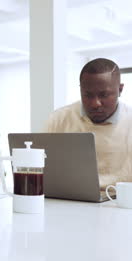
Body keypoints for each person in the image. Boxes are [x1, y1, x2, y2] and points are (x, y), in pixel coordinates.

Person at [46, 58, 132, 189]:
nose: (95, 103)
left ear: (120, 90)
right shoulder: (59, 119)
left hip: (118, 202)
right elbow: (41, 167)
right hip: (69, 197)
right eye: (88, 95)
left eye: (104, 95)